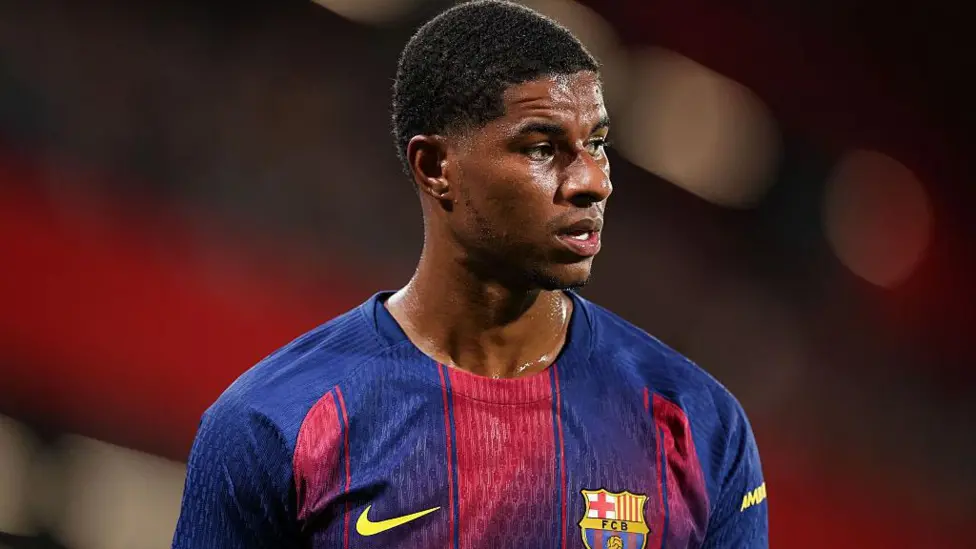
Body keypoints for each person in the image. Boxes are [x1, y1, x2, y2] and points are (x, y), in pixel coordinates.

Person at [171, 1, 768, 548]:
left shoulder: (699, 425)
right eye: (542, 148)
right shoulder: (273, 422)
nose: (593, 181)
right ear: (435, 166)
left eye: (597, 144)